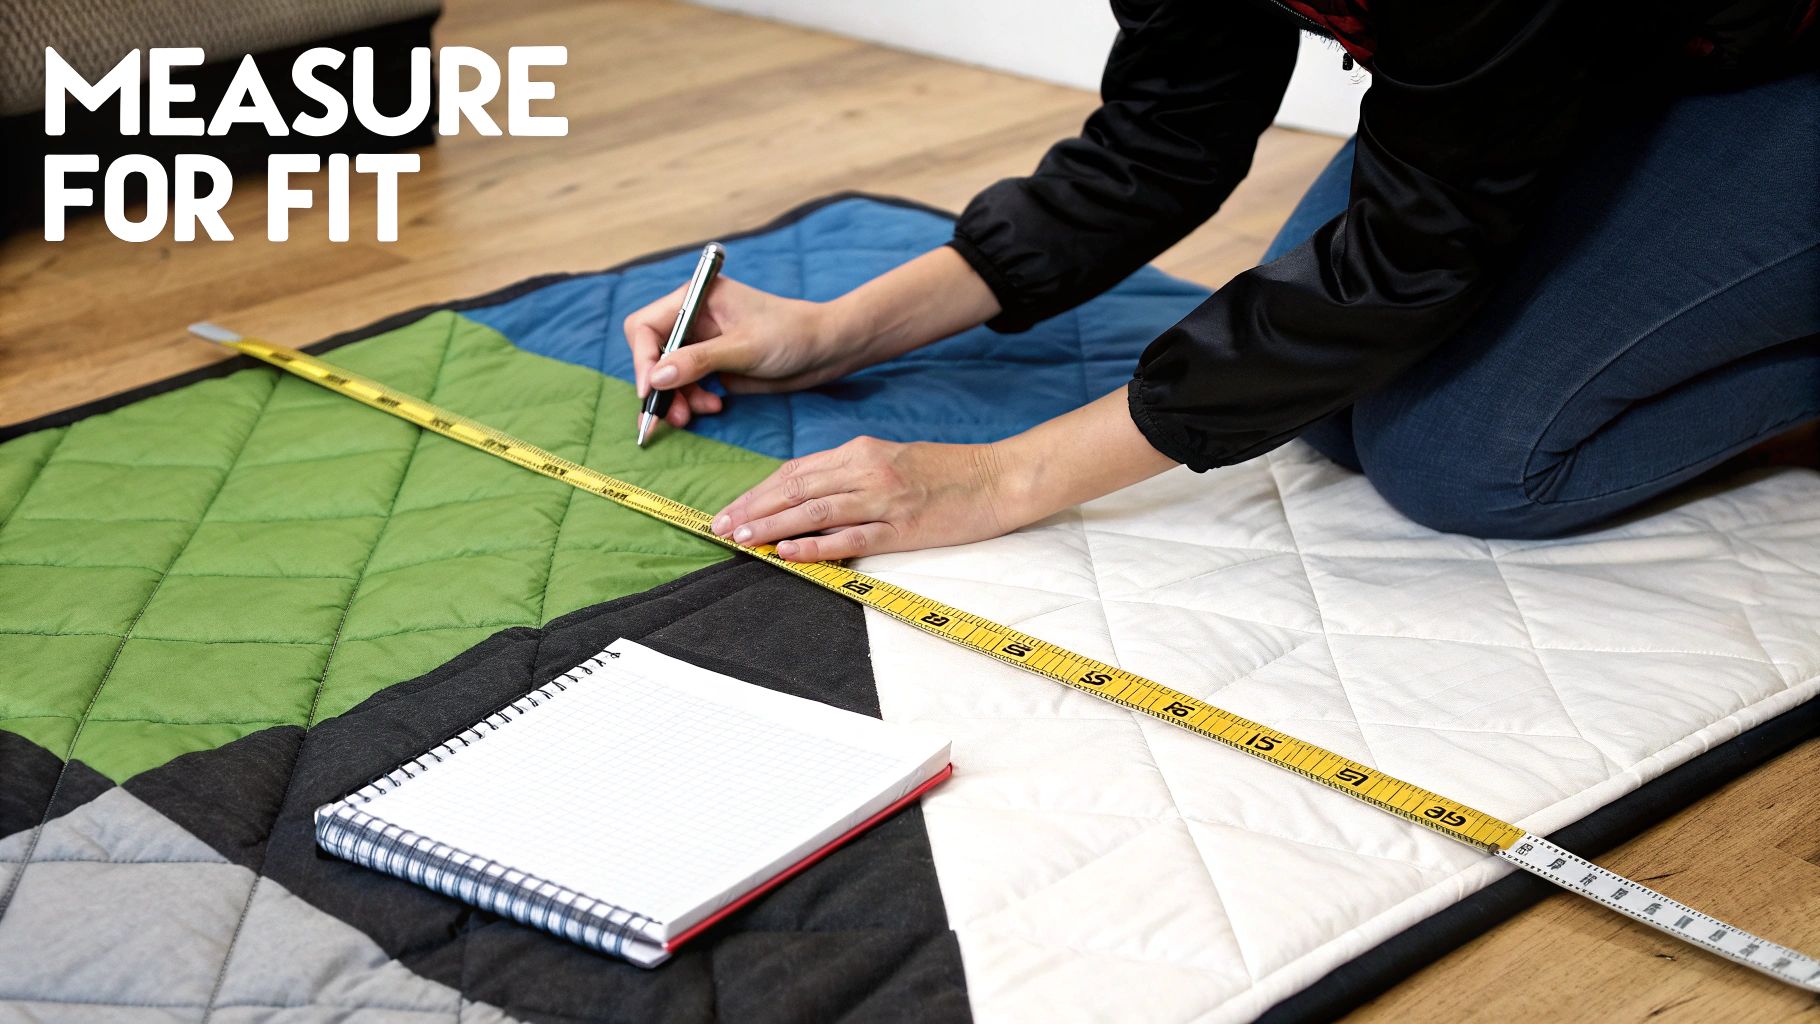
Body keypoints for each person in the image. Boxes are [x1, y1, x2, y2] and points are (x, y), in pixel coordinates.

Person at [624, 2, 1820, 563]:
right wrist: (837, 328)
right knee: (1340, 420)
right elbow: (1162, 136)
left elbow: (1400, 266)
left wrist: (999, 480)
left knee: (1469, 457)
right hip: (1607, 46)